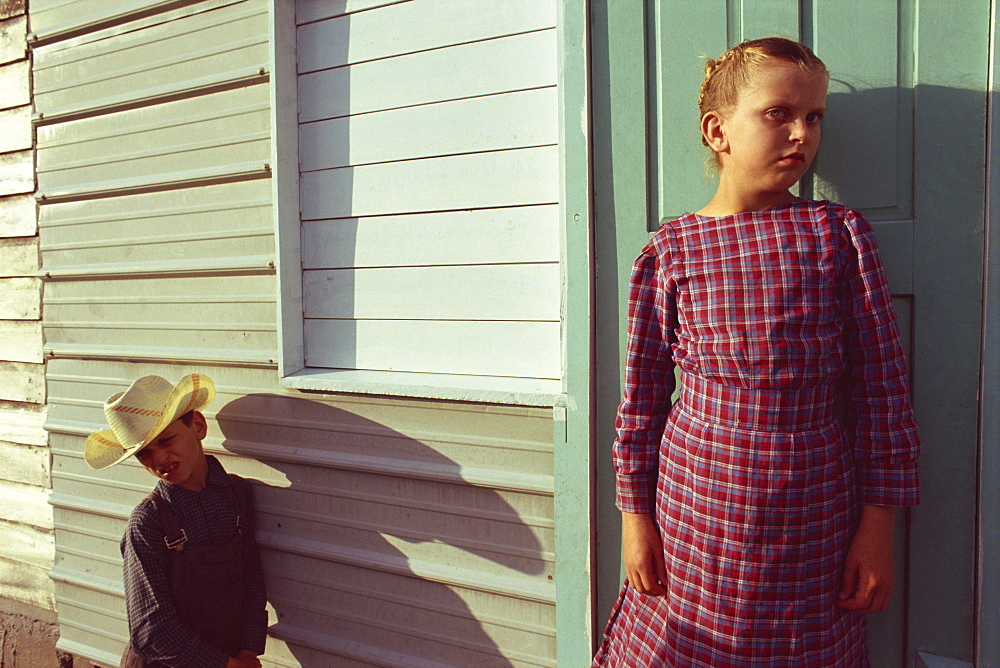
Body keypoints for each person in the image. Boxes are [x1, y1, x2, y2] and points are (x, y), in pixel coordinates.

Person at [592, 37, 920, 667]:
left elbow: (884, 394)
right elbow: (640, 404)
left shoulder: (838, 236)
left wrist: (878, 531)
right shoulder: (670, 253)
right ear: (719, 131)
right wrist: (635, 522)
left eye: (815, 116)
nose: (802, 133)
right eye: (779, 114)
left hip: (812, 520)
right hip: (694, 516)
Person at [85, 373, 267, 668]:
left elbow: (252, 580)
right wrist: (226, 665)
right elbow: (151, 630)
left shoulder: (237, 495)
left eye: (166, 440)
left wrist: (248, 650)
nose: (159, 460)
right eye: (144, 454)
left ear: (197, 425)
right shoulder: (148, 522)